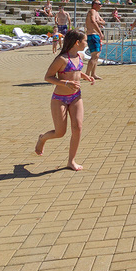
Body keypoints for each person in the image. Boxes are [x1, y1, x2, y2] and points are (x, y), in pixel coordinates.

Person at [35, 29, 94, 171]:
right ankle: (42, 138)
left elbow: (75, 71)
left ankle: (71, 161)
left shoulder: (80, 56)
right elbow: (48, 77)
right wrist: (66, 83)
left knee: (77, 128)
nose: (87, 43)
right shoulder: (61, 59)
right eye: (85, 41)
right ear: (77, 42)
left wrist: (85, 76)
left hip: (76, 97)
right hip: (59, 99)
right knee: (60, 132)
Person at [84, 0, 105, 80]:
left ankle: (93, 74)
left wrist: (98, 21)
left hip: (96, 35)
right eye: (99, 4)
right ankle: (87, 74)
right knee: (94, 55)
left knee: (97, 55)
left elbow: (103, 22)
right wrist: (100, 32)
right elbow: (93, 21)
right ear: (94, 5)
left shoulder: (97, 13)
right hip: (92, 35)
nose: (101, 5)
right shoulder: (92, 11)